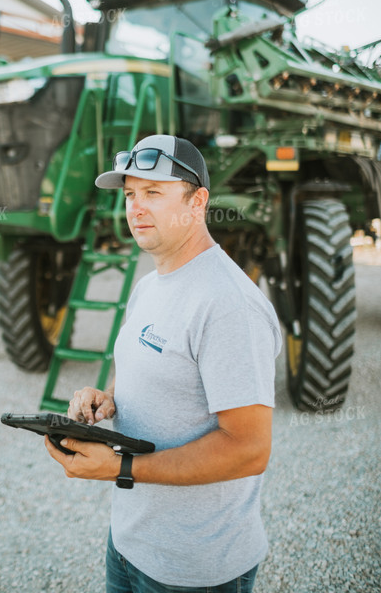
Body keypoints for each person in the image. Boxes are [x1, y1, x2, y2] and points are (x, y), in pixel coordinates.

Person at [45, 134, 282, 593]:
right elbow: (154, 378)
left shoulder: (228, 304)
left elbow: (250, 449)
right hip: (130, 542)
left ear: (198, 202)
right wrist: (106, 400)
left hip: (195, 568)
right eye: (130, 194)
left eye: (153, 192)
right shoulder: (150, 285)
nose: (135, 207)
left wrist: (121, 468)